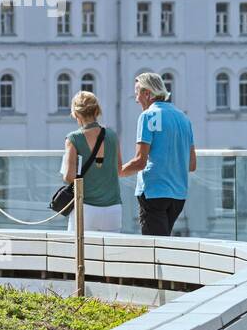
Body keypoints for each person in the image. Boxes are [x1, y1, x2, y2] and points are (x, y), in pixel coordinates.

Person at [119, 72, 196, 236]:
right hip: (178, 195)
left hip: (154, 192)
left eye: (137, 94)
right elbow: (191, 164)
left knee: (154, 250)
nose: (136, 99)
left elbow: (140, 161)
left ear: (147, 93)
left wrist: (116, 172)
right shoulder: (184, 118)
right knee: (163, 244)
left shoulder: (148, 116)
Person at [60, 90, 123, 232]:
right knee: (108, 254)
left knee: (79, 252)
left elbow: (69, 176)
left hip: (86, 207)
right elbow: (119, 169)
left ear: (76, 114)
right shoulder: (112, 135)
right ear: (97, 111)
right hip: (113, 208)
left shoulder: (74, 138)